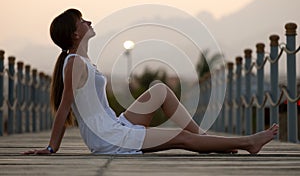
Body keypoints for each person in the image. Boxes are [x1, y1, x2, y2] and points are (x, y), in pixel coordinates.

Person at [24, 9, 278, 155]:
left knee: (159, 90)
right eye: (82, 20)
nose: (88, 22)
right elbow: (64, 107)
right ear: (74, 33)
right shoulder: (74, 63)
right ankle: (248, 143)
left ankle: (206, 137)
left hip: (114, 125)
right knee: (180, 138)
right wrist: (50, 148)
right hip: (110, 138)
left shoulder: (82, 60)